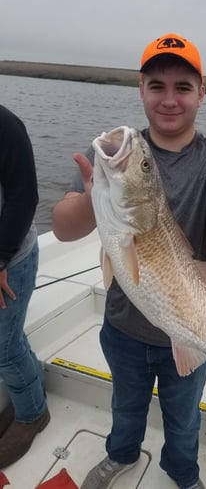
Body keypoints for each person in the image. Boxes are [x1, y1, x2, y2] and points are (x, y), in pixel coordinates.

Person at [52, 33, 206, 489]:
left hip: (191, 329)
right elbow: (64, 228)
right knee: (125, 406)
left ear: (202, 93)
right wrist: (93, 196)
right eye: (156, 85)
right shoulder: (107, 160)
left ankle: (182, 474)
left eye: (183, 87)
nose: (169, 99)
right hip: (123, 326)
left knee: (184, 420)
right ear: (140, 89)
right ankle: (120, 455)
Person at [0, 105, 50, 469]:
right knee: (10, 338)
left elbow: (24, 198)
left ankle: (33, 413)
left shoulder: (5, 125)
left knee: (3, 346)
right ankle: (27, 396)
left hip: (10, 259)